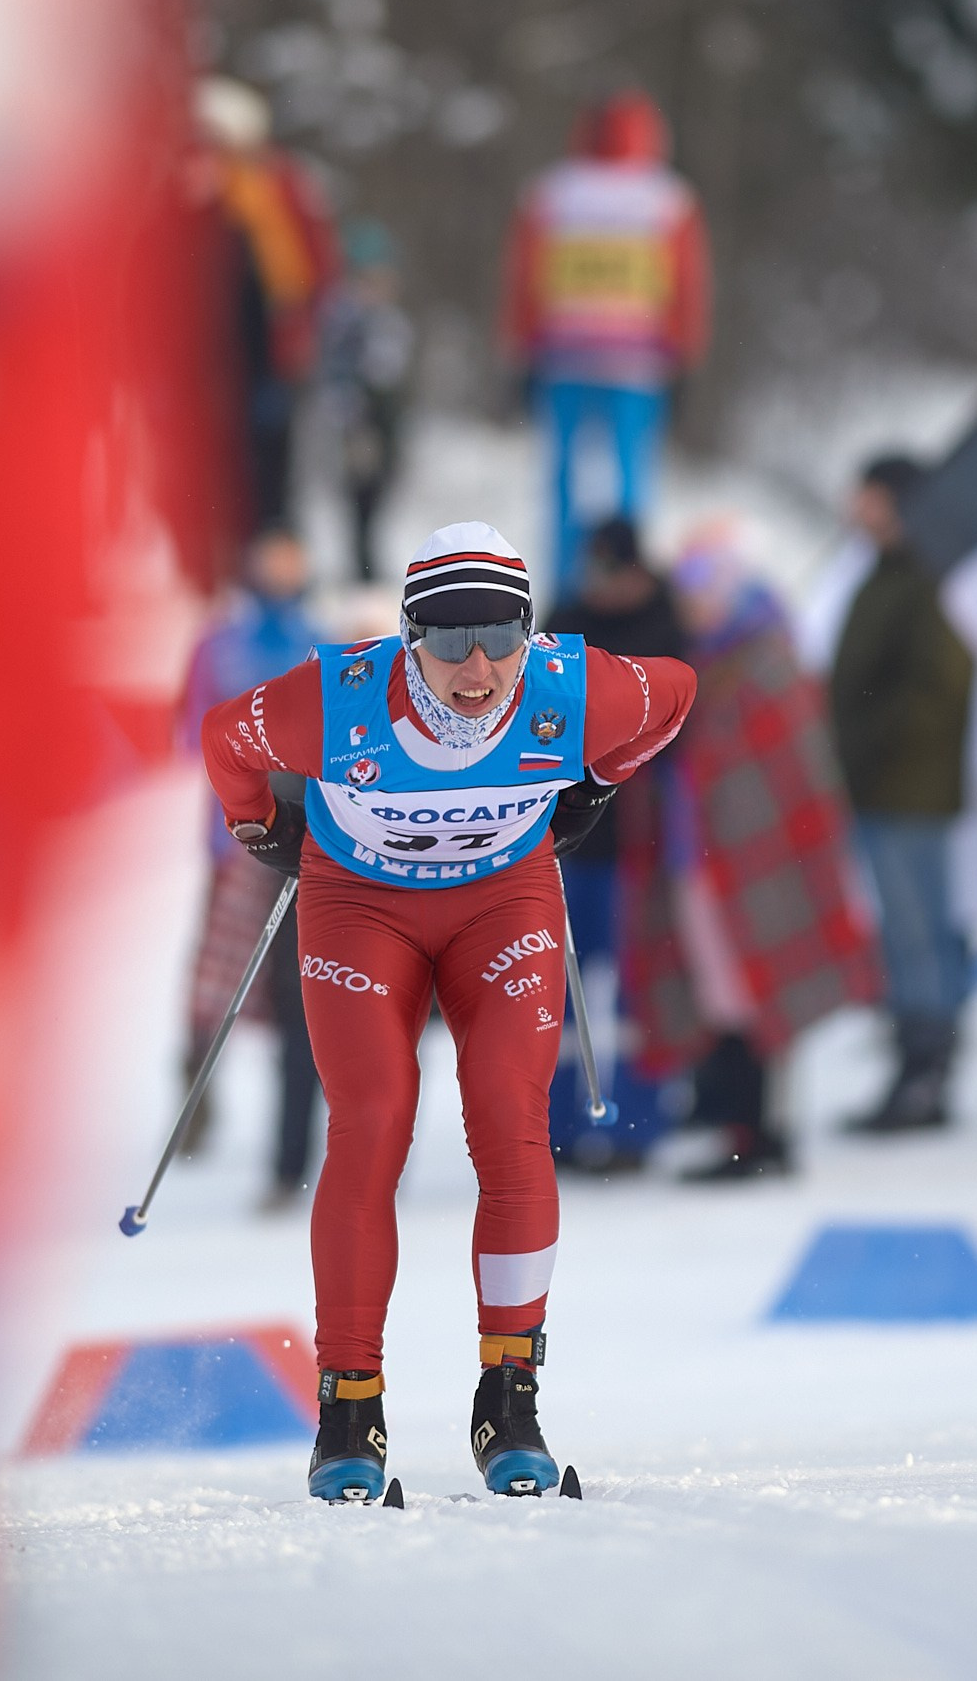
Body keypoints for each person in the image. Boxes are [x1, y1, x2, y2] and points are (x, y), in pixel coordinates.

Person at [199, 521, 695, 1500]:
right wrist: (259, 826)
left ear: (529, 630)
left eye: (501, 637)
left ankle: (509, 1398)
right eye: (447, 640)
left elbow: (677, 692)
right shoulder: (335, 704)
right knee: (373, 1120)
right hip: (358, 908)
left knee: (510, 1123)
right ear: (407, 636)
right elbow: (223, 738)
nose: (476, 667)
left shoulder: (574, 689)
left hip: (501, 904)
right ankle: (350, 1405)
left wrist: (601, 777)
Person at [617, 530, 881, 1182]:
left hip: (757, 860)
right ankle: (737, 1122)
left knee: (759, 993)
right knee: (720, 994)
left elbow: (791, 764)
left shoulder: (766, 657)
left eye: (704, 591)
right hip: (698, 856)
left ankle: (761, 1133)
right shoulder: (699, 658)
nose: (694, 606)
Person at [500, 90, 710, 596]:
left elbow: (524, 279)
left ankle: (567, 592)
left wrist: (520, 351)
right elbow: (687, 286)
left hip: (564, 360)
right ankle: (625, 588)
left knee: (565, 483)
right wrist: (685, 357)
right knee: (630, 484)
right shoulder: (668, 198)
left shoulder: (551, 193)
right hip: (638, 368)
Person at [176, 530, 328, 1208]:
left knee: (299, 994)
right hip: (234, 836)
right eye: (271, 559)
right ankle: (195, 1099)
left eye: (291, 560)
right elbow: (190, 729)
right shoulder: (222, 640)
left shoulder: (320, 639)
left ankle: (293, 1145)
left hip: (301, 837)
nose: (281, 572)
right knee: (216, 983)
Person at [829, 455, 977, 1133]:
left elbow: (934, 689)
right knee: (900, 931)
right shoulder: (885, 574)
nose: (859, 510)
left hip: (910, 786)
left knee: (919, 933)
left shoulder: (931, 576)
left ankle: (927, 1072)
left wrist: (865, 741)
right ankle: (913, 1063)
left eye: (871, 498)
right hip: (878, 783)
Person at [537, 516, 688, 1172]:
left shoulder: (665, 625)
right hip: (567, 838)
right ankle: (552, 1130)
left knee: (637, 989)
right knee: (552, 988)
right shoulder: (565, 621)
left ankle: (636, 1124)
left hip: (640, 841)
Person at [196, 77, 339, 531]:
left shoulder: (279, 184)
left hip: (271, 347)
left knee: (271, 459)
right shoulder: (197, 189)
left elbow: (316, 264)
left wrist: (308, 328)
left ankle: (271, 553)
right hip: (216, 355)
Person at [319, 218, 414, 582]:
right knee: (361, 495)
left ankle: (368, 560)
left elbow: (395, 371)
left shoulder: (387, 317)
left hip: (384, 418)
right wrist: (350, 423)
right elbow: (338, 374)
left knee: (381, 489)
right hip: (360, 419)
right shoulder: (347, 319)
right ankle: (361, 566)